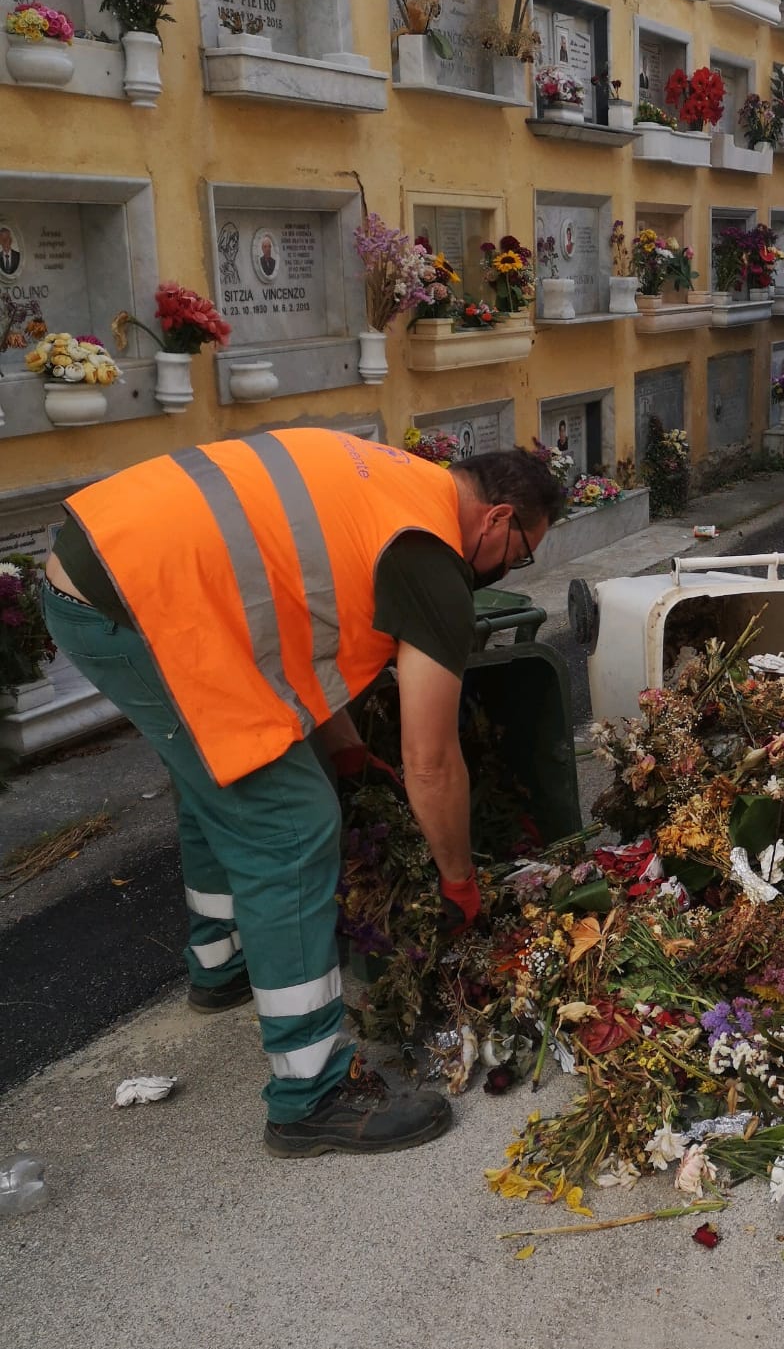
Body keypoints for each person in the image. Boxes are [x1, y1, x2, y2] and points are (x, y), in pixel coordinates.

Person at [43, 431, 565, 1154]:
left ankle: (222, 964)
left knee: (226, 767)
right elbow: (432, 758)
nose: (515, 566)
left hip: (106, 570)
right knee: (289, 823)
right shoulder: (430, 555)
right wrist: (458, 879)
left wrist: (346, 746)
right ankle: (311, 1095)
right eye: (523, 553)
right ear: (500, 520)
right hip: (140, 602)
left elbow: (300, 628)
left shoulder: (397, 484)